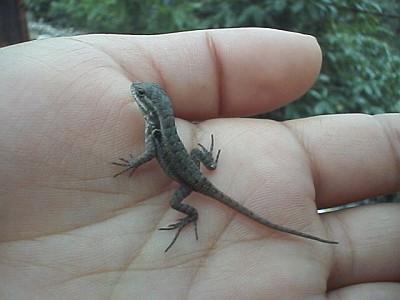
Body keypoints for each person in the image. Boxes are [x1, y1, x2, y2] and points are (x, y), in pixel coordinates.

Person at [0, 28, 399, 299]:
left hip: (189, 184)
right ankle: (203, 191)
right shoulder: (163, 127)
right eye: (141, 94)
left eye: (142, 95)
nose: (138, 95)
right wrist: (205, 159)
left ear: (149, 108)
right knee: (193, 168)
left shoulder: (156, 136)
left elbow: (149, 155)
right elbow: (159, 150)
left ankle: (190, 218)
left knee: (177, 204)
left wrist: (137, 168)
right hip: (194, 170)